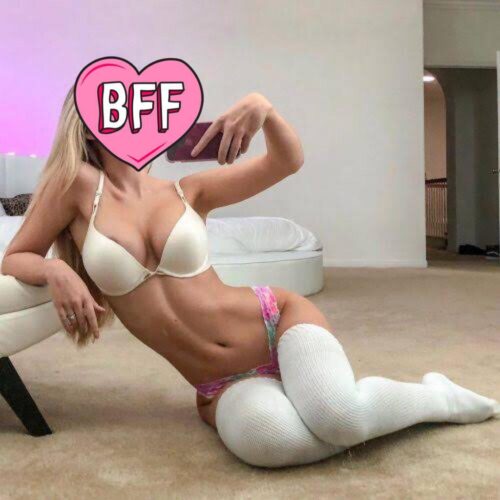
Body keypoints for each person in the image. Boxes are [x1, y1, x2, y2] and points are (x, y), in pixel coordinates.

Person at [2, 88, 498, 469]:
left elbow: (286, 162)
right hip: (219, 383)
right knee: (270, 445)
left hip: (275, 323)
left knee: (340, 419)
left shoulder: (185, 190)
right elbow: (16, 256)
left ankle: (438, 396)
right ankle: (337, 402)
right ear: (90, 124)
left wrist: (266, 110)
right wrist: (55, 268)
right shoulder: (74, 187)